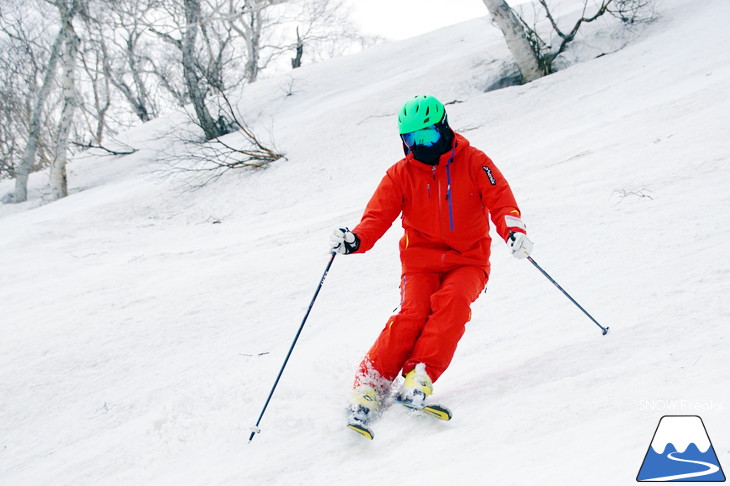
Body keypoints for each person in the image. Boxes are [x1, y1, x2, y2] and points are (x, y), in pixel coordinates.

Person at [330, 95, 533, 432]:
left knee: (451, 304)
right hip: (420, 263)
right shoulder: (400, 174)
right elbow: (376, 217)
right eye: (412, 140)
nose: (420, 146)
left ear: (444, 129)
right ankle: (370, 384)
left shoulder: (474, 161)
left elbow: (501, 200)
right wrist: (355, 240)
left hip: (468, 261)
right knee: (413, 313)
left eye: (427, 137)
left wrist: (514, 231)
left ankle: (419, 375)